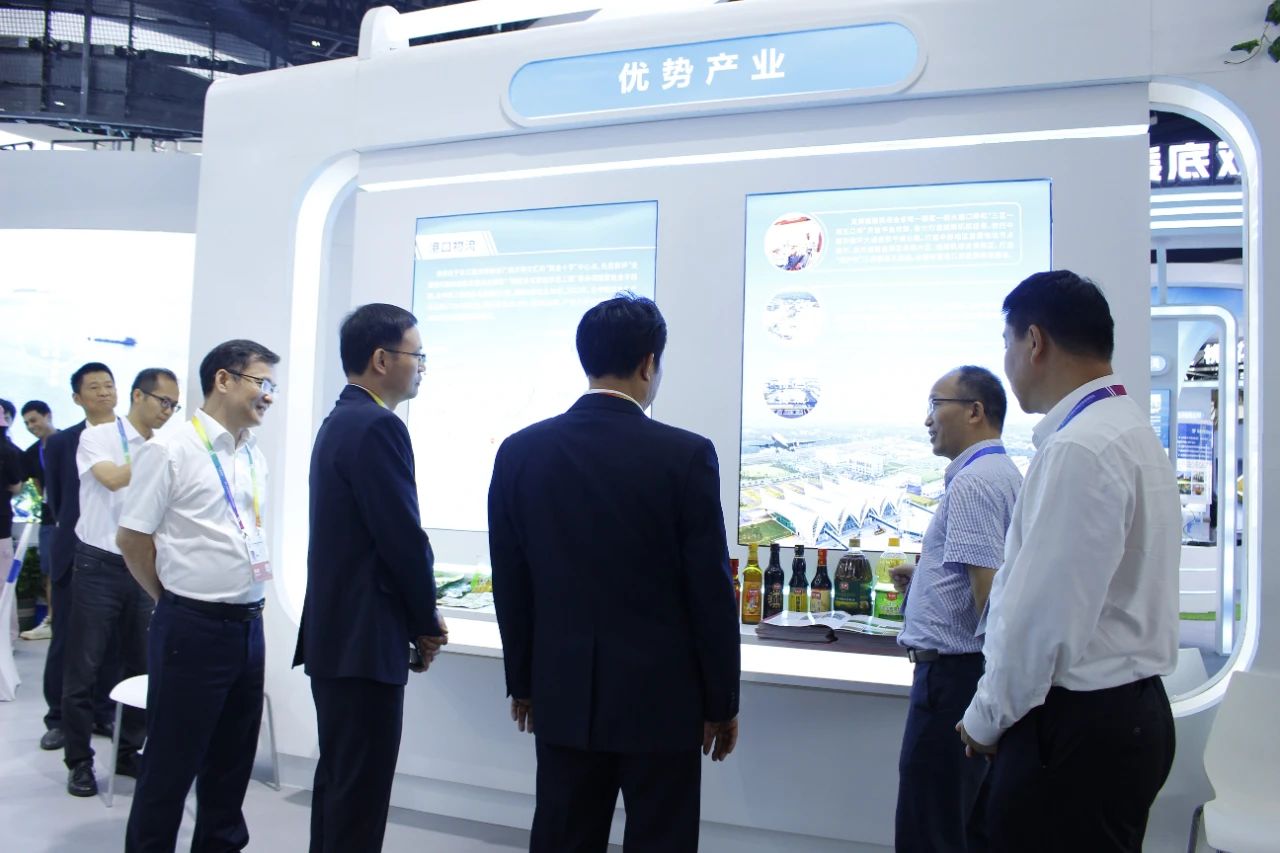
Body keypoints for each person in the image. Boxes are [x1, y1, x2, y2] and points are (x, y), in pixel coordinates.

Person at [488, 294, 741, 853]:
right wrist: (721, 701)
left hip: (562, 693)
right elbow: (710, 591)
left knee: (563, 836)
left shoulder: (519, 452)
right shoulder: (686, 455)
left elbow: (511, 582)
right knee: (661, 838)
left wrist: (523, 683)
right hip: (663, 700)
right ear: (649, 363)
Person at [957, 271, 1180, 852]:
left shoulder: (1080, 448)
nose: (1007, 362)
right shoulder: (1127, 429)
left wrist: (984, 719)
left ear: (1034, 342)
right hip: (1128, 714)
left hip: (1076, 726)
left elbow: (1039, 622)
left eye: (1006, 343)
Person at [293, 303, 448, 853]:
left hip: (338, 636)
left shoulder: (341, 420)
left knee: (341, 784)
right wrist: (425, 619)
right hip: (364, 640)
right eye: (417, 354)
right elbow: (402, 538)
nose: (422, 366)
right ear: (382, 359)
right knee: (358, 796)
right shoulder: (379, 425)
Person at [118, 340, 278, 852]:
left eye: (272, 386)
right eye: (261, 382)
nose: (269, 395)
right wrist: (170, 599)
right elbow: (132, 538)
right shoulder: (170, 449)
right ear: (223, 380)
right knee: (170, 765)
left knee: (231, 764)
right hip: (192, 627)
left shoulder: (252, 452)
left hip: (248, 625)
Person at [890, 366, 1022, 853]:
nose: (928, 419)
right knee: (967, 827)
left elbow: (989, 596)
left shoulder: (973, 483)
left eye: (935, 404)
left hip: (953, 681)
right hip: (968, 676)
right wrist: (927, 576)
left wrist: (993, 692)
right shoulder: (1003, 473)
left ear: (974, 411)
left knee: (930, 830)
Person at [62, 368, 180, 797]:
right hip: (98, 564)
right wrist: (151, 460)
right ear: (138, 396)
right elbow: (111, 479)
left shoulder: (166, 445)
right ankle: (79, 761)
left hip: (143, 565)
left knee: (143, 664)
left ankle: (129, 751)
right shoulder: (99, 436)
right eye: (163, 401)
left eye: (174, 405)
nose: (167, 411)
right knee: (85, 667)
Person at [38, 363, 120, 752]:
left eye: (109, 385)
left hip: (121, 555)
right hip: (75, 554)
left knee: (115, 642)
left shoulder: (133, 437)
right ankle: (58, 718)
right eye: (94, 387)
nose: (104, 392)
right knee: (68, 641)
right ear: (77, 397)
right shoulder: (61, 443)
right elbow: (58, 500)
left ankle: (104, 711)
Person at [18, 400, 57, 641]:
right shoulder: (31, 453)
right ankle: (52, 620)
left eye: (34, 420)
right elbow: (38, 486)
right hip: (49, 518)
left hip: (76, 518)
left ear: (47, 415)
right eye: (26, 424)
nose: (31, 426)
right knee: (50, 571)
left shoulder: (69, 441)